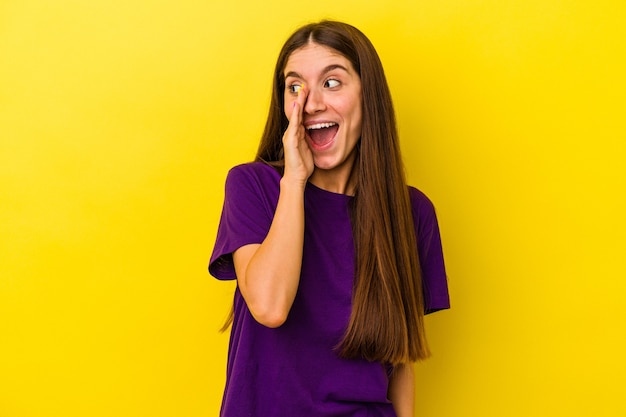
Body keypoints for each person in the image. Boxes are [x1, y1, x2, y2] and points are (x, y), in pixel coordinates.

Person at [209, 20, 450, 417]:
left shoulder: (411, 214)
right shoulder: (254, 187)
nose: (312, 102)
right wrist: (295, 180)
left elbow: (399, 358)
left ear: (367, 96)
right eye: (295, 87)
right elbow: (270, 307)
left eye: (332, 82)